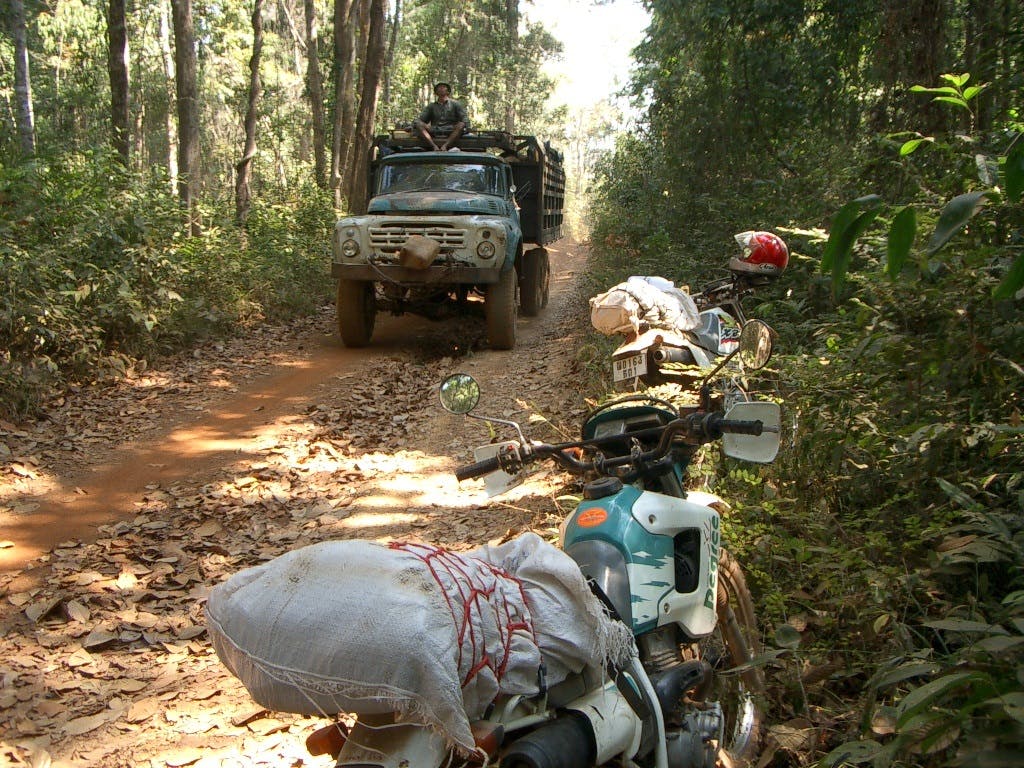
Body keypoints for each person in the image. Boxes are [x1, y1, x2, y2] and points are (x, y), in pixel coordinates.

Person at [413, 82, 469, 151]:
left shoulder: (455, 104)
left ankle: (445, 146)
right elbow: (420, 119)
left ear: (448, 91)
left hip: (450, 130)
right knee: (419, 124)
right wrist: (414, 125)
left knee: (461, 124)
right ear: (436, 92)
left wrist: (466, 126)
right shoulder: (432, 106)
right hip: (435, 130)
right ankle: (433, 146)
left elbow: (464, 118)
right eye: (439, 87)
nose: (441, 88)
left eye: (443, 87)